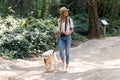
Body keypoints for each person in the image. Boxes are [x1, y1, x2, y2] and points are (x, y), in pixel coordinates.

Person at [56, 7, 74, 72]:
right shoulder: (59, 21)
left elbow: (72, 29)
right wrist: (56, 39)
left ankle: (67, 67)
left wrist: (68, 32)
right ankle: (63, 62)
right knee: (61, 52)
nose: (66, 12)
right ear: (62, 13)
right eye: (65, 11)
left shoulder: (69, 19)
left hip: (68, 37)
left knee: (67, 52)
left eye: (67, 11)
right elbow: (58, 31)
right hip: (61, 38)